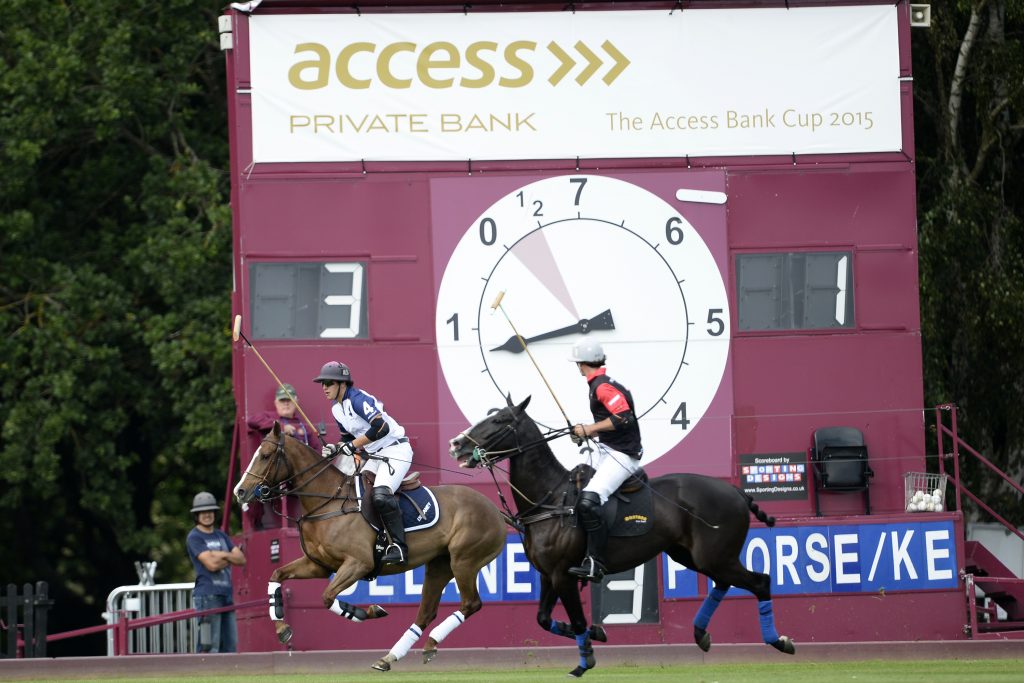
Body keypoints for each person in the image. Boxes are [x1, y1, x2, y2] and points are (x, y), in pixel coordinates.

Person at [314, 361, 414, 566]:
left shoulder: (358, 399)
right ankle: (375, 540)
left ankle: (399, 547)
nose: (324, 387)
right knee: (358, 494)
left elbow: (382, 427)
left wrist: (353, 445)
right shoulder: (337, 409)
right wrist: (335, 448)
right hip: (375, 456)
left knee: (381, 495)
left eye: (329, 383)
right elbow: (346, 438)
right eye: (322, 383)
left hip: (396, 449)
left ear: (343, 384)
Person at [566, 340, 643, 582]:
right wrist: (586, 431)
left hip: (622, 455)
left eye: (577, 364)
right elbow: (612, 422)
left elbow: (624, 418)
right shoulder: (598, 384)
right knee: (576, 489)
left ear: (581, 364)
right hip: (608, 449)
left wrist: (589, 429)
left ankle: (596, 563)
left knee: (588, 502)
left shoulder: (602, 387)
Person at [186, 491, 246, 653]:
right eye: (203, 512)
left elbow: (241, 559)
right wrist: (229, 556)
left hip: (227, 594)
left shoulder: (221, 535)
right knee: (210, 646)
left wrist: (219, 554)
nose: (207, 515)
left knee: (231, 645)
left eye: (210, 511)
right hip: (207, 595)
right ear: (196, 515)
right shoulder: (194, 537)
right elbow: (211, 565)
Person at [246, 383, 311, 446]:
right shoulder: (268, 416)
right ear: (276, 403)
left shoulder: (304, 427)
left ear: (296, 402)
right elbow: (251, 421)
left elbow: (315, 452)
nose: (286, 403)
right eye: (282, 400)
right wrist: (281, 427)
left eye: (289, 400)